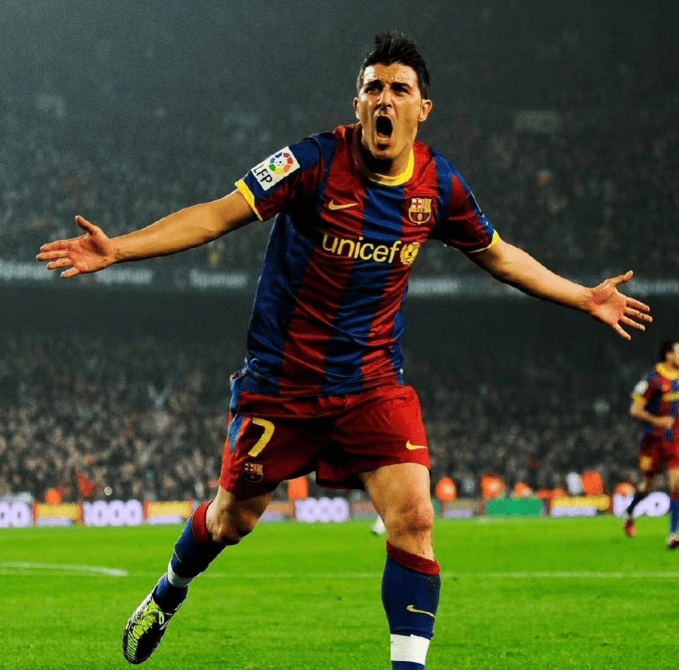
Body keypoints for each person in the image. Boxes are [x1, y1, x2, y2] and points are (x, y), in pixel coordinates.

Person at [37, 31, 652, 670]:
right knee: (230, 521)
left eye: (399, 90)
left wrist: (584, 296)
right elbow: (218, 215)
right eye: (372, 88)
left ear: (422, 109)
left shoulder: (439, 186)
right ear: (356, 103)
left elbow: (499, 255)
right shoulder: (309, 163)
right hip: (283, 384)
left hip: (372, 384)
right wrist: (120, 249)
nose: (384, 100)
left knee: (414, 518)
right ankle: (169, 591)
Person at [623, 340, 679, 548]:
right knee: (647, 485)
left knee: (676, 484)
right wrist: (658, 421)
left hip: (674, 440)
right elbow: (635, 410)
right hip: (652, 441)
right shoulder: (653, 380)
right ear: (668, 355)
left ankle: (674, 533)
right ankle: (630, 513)